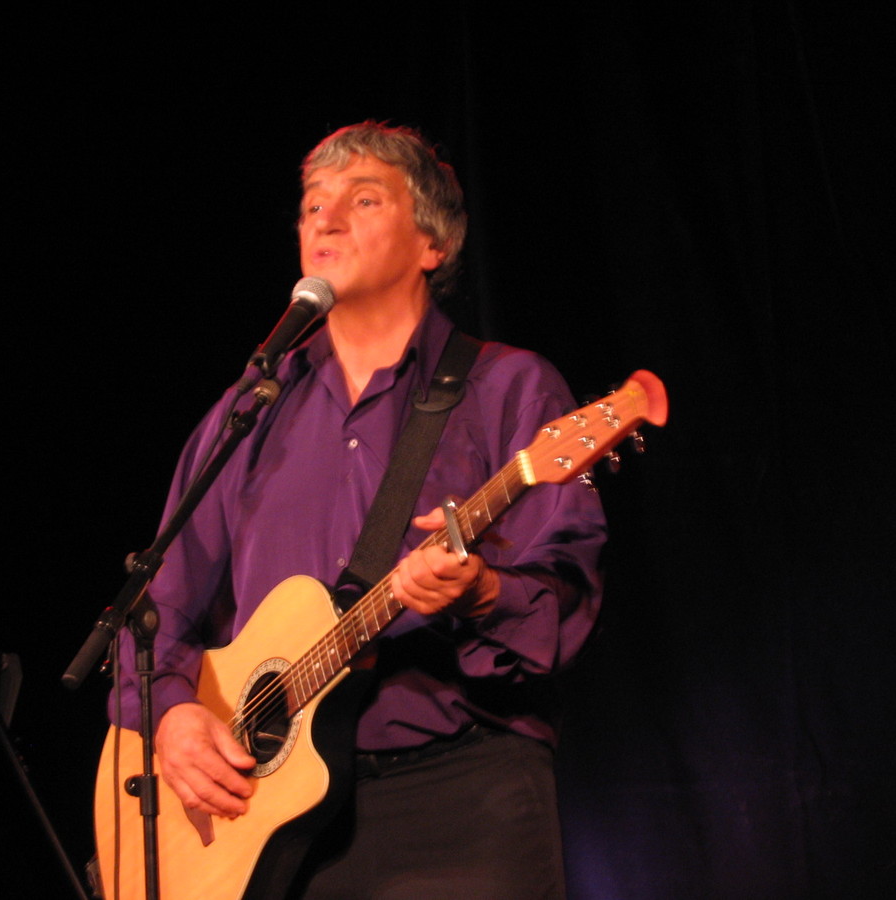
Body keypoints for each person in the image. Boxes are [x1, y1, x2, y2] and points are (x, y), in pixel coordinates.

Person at [111, 121, 606, 899]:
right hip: (268, 821)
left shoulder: (509, 388)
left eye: (363, 199)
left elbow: (564, 593)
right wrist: (171, 715)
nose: (327, 221)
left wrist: (480, 592)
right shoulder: (253, 408)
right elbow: (157, 606)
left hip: (456, 801)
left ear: (432, 244)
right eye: (313, 205)